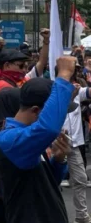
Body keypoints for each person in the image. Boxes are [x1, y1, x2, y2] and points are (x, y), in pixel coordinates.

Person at [0, 57, 77, 223]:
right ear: (35, 110)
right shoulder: (9, 139)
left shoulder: (27, 137)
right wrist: (63, 76)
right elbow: (48, 128)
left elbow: (48, 182)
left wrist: (59, 160)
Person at [61, 71, 91, 223]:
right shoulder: (51, 92)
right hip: (55, 143)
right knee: (51, 180)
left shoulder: (78, 91)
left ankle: (82, 216)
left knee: (80, 179)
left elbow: (89, 92)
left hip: (74, 144)